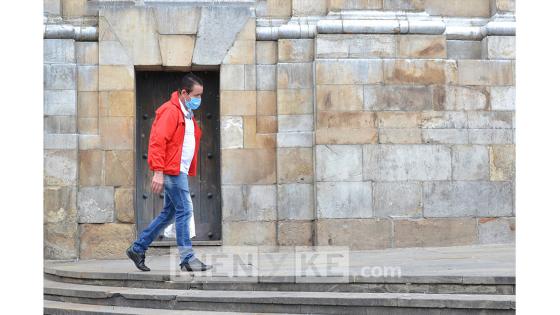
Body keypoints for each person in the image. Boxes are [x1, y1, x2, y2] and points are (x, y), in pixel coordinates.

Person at [126, 73, 212, 272]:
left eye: (201, 95)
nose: (199, 99)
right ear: (184, 93)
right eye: (196, 95)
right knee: (184, 210)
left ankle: (138, 248)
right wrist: (158, 171)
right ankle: (187, 258)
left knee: (170, 213)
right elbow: (157, 141)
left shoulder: (185, 113)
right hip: (172, 170)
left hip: (178, 169)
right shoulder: (170, 111)